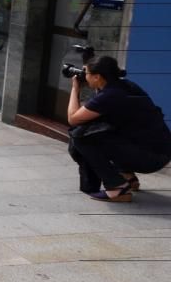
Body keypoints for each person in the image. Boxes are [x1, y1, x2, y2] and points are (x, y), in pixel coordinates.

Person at [68, 55, 171, 201]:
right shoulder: (126, 85)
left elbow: (73, 118)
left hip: (150, 158)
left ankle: (117, 188)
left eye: (86, 73)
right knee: (100, 131)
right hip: (159, 152)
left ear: (97, 77)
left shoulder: (110, 95)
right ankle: (127, 177)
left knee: (80, 137)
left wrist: (75, 88)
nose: (84, 76)